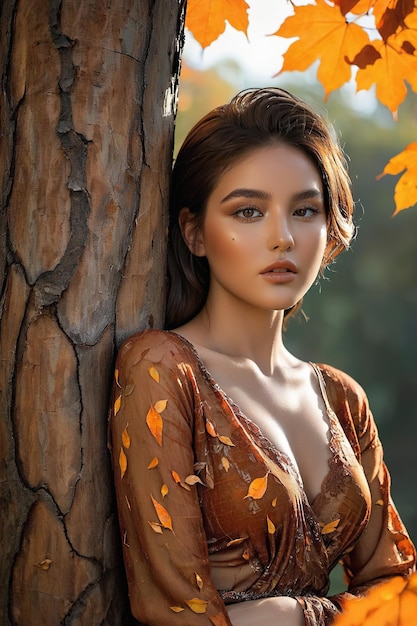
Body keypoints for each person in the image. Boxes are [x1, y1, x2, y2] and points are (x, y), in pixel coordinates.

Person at [109, 88, 416, 626]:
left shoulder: (342, 397)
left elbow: (399, 591)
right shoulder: (161, 368)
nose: (282, 238)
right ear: (194, 233)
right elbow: (175, 611)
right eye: (248, 211)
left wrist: (295, 616)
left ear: (329, 227)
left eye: (304, 210)